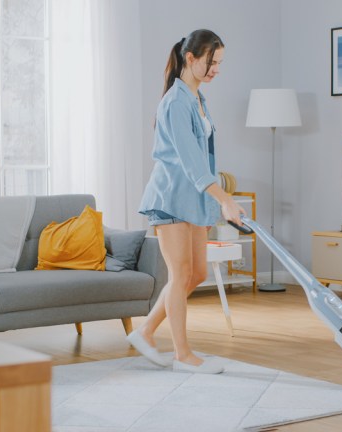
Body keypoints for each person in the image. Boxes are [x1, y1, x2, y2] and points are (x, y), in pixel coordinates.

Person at [130, 29, 245, 374]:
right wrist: (224, 199)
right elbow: (191, 160)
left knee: (195, 273)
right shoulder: (176, 103)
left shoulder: (197, 99)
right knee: (180, 273)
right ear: (190, 58)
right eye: (212, 62)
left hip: (192, 199)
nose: (216, 69)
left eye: (220, 63)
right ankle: (182, 354)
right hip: (170, 197)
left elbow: (203, 156)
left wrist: (216, 198)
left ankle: (145, 331)